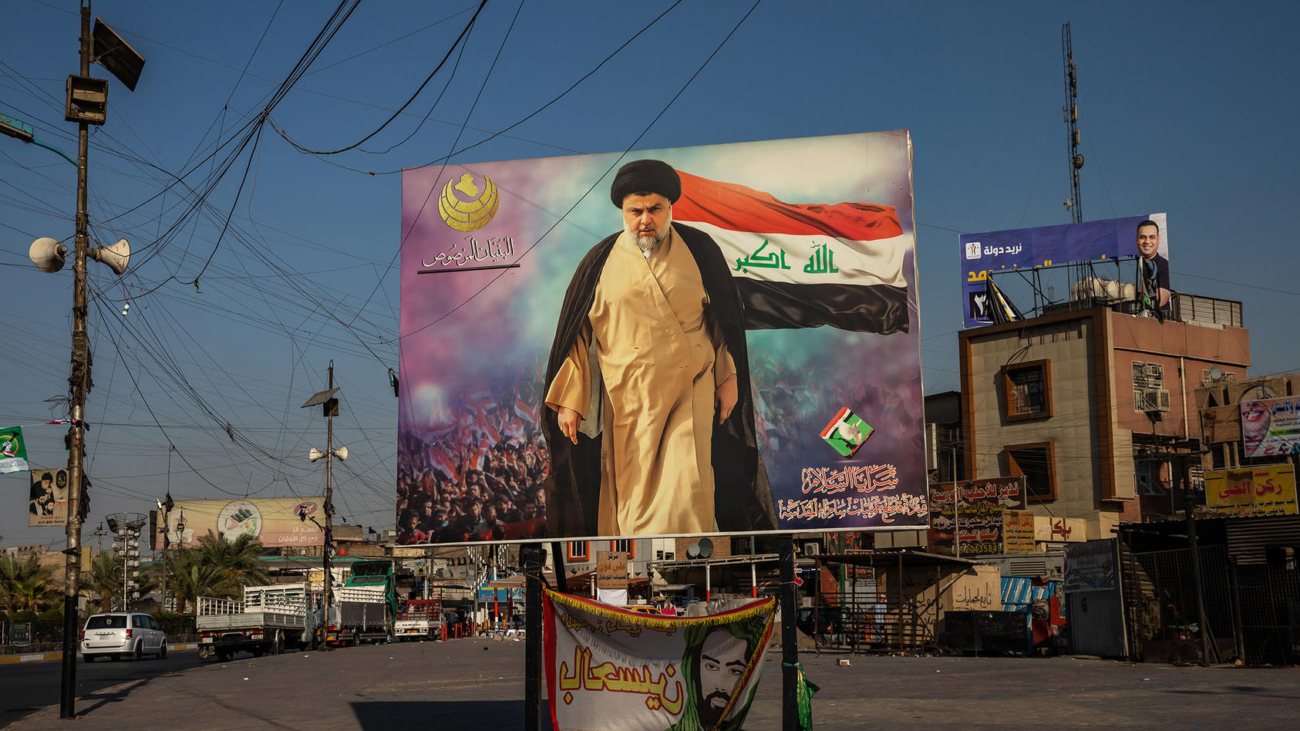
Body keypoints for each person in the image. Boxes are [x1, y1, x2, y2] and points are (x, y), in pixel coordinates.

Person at [543, 160, 777, 537]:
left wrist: (727, 376)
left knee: (687, 487)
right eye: (635, 211)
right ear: (624, 212)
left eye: (655, 209)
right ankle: (640, 577)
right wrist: (571, 397)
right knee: (632, 502)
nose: (645, 220)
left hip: (691, 387)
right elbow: (578, 333)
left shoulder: (700, 251)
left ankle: (687, 569)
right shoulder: (598, 263)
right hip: (628, 399)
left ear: (670, 208)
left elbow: (723, 323)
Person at [1135, 220, 1170, 310]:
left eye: (1152, 237)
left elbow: (1161, 298)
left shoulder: (1164, 266)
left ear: (1158, 239)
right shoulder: (1132, 263)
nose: (1147, 241)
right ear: (1136, 239)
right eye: (1143, 237)